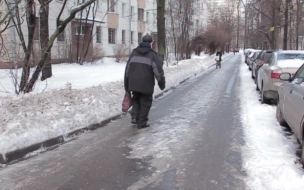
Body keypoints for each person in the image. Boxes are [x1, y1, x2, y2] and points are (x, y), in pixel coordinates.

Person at [124, 34, 166, 129]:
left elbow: (127, 70)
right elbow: (158, 71)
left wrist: (127, 85)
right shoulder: (152, 55)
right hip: (146, 85)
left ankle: (135, 118)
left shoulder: (134, 53)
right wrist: (161, 83)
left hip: (134, 83)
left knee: (136, 100)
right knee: (145, 103)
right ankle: (142, 122)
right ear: (151, 43)